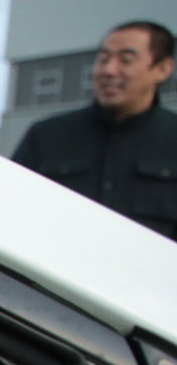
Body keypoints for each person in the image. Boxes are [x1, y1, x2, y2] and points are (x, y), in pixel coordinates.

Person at [12, 21, 177, 240]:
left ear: (163, 69)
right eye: (103, 59)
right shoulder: (46, 136)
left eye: (126, 60)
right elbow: (9, 213)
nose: (109, 70)